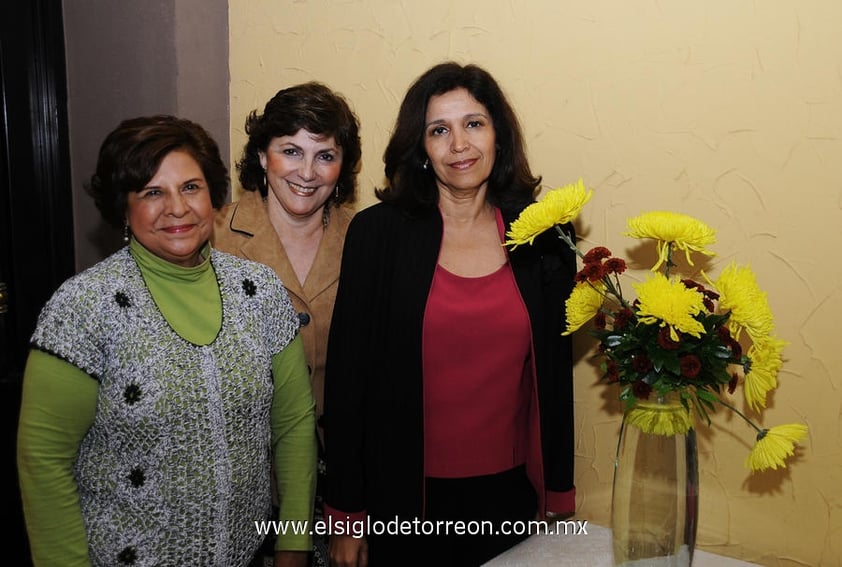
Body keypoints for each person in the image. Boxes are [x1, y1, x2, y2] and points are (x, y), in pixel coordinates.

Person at [16, 115, 316, 567]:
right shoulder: (83, 308)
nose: (177, 208)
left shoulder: (260, 291)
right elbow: (44, 461)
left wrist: (294, 543)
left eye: (191, 187)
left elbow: (293, 424)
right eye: (152, 192)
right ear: (123, 206)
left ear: (212, 195)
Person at [323, 62, 578, 567]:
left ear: (499, 136)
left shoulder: (544, 236)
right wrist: (346, 514)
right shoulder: (379, 235)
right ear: (421, 149)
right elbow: (348, 380)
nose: (459, 144)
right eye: (439, 130)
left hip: (510, 502)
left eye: (474, 124)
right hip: (402, 502)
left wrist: (558, 494)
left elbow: (554, 375)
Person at [213, 82, 361, 567]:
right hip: (243, 486)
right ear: (262, 155)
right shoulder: (211, 238)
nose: (306, 172)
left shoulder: (368, 240)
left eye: (325, 155)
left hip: (346, 482)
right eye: (291, 151)